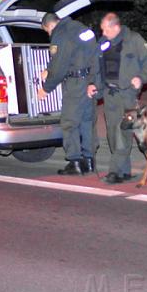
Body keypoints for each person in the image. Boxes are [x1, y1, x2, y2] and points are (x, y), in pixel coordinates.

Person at [88, 13, 147, 184]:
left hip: (127, 94)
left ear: (115, 27)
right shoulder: (103, 43)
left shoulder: (134, 40)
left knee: (122, 132)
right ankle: (124, 171)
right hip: (109, 95)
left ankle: (115, 172)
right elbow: (96, 67)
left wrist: (140, 78)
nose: (103, 33)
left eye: (105, 30)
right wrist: (92, 84)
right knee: (112, 133)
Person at [38, 13, 99, 176]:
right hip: (88, 82)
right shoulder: (82, 29)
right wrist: (94, 82)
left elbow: (60, 64)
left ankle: (74, 162)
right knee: (87, 121)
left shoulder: (61, 33)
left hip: (75, 84)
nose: (49, 35)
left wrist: (46, 88)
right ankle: (89, 160)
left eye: (47, 32)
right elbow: (95, 56)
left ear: (50, 26)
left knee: (69, 122)